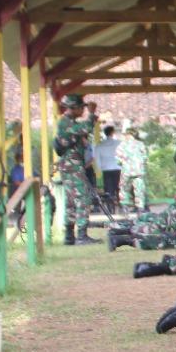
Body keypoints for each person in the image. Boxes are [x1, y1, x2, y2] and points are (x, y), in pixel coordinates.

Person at [55, 94, 98, 245]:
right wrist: (92, 114)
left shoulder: (68, 122)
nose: (83, 111)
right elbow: (86, 127)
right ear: (73, 108)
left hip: (70, 164)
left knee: (71, 200)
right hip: (71, 165)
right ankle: (81, 235)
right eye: (81, 108)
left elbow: (84, 132)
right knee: (83, 198)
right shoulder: (66, 122)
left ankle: (69, 236)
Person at [116, 127, 148, 214]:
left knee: (124, 189)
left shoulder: (122, 145)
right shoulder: (141, 144)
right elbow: (145, 158)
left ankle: (125, 207)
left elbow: (118, 160)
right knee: (139, 190)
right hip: (139, 171)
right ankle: (140, 209)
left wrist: (125, 164)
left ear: (128, 135)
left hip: (126, 172)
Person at [96, 126, 121, 207]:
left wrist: (99, 169)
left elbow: (97, 159)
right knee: (118, 187)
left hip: (106, 169)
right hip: (117, 168)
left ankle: (110, 204)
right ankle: (119, 203)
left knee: (108, 188)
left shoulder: (99, 145)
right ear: (112, 133)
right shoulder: (119, 143)